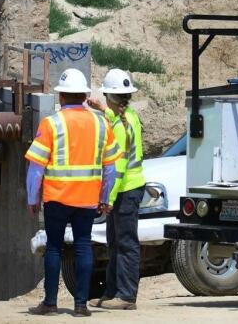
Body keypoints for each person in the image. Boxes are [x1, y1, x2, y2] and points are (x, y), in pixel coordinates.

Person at [25, 68, 122, 317]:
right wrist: (105, 198)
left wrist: (32, 197)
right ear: (84, 96)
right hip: (87, 198)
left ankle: (50, 303)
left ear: (62, 96)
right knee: (82, 247)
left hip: (57, 197)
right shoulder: (101, 123)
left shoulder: (51, 123)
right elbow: (110, 169)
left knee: (54, 248)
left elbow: (36, 167)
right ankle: (81, 305)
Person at [92, 69, 146, 311]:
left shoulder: (120, 126)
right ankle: (112, 293)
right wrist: (103, 110)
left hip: (126, 190)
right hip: (129, 189)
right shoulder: (128, 117)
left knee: (125, 244)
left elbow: (119, 167)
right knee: (115, 243)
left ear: (107, 95)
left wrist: (108, 198)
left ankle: (126, 296)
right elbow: (116, 117)